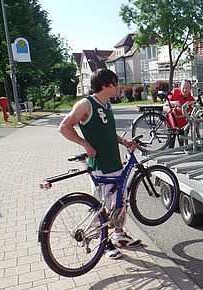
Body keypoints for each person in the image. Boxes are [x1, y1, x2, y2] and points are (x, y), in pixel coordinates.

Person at [58, 68, 141, 259]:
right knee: (101, 205)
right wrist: (85, 144)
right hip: (100, 164)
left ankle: (120, 235)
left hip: (114, 161)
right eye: (115, 83)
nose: (118, 87)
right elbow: (64, 127)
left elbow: (109, 132)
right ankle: (104, 243)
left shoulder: (107, 104)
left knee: (120, 201)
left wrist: (124, 142)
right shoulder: (86, 104)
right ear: (105, 84)